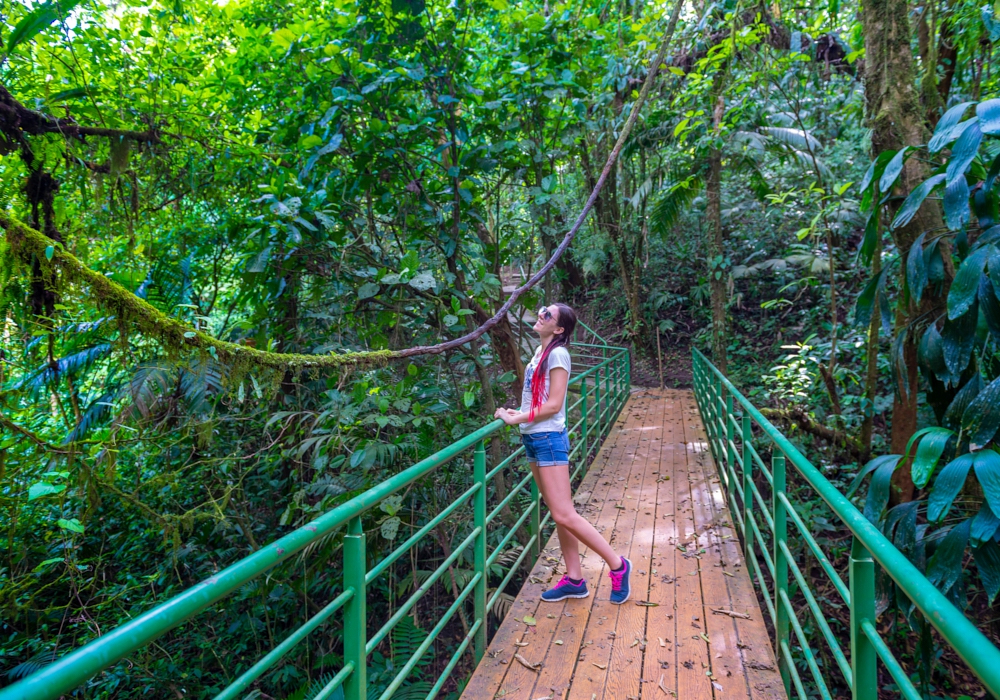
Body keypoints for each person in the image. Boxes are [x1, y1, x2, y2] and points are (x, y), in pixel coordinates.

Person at [493, 303, 632, 604]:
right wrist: (517, 413)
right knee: (559, 514)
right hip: (533, 436)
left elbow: (555, 404)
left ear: (558, 329)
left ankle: (618, 566)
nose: (540, 314)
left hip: (548, 439)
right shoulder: (540, 353)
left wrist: (519, 418)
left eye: (547, 314)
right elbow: (539, 400)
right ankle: (574, 579)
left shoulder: (558, 354)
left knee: (564, 513)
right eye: (542, 310)